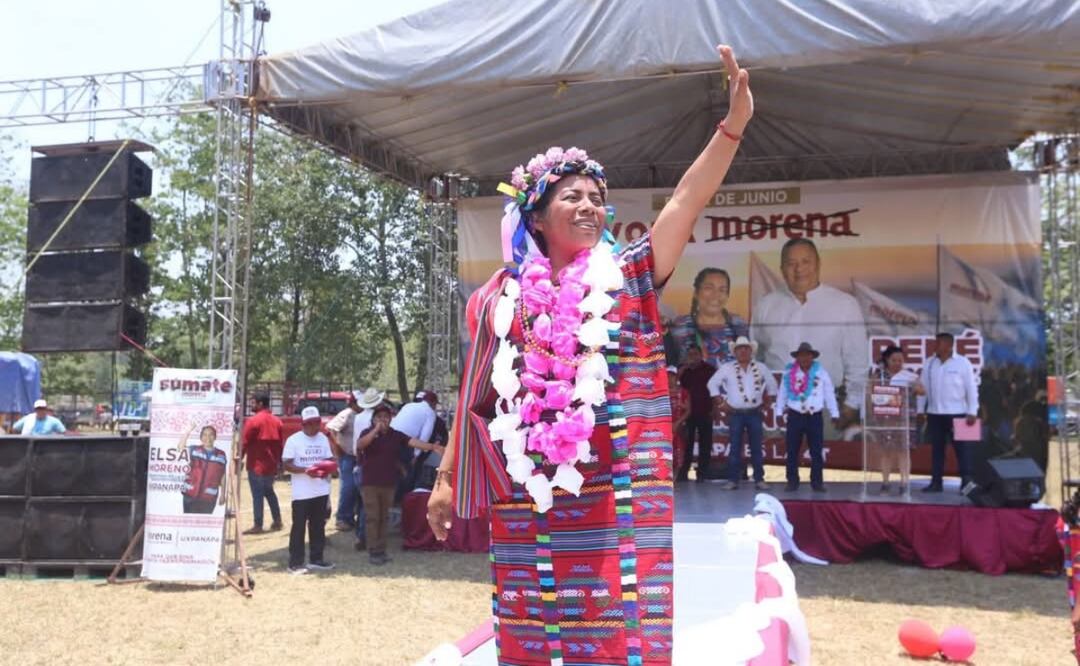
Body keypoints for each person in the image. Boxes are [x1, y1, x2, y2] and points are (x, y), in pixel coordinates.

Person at [425, 45, 753, 665]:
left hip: (616, 498)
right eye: (571, 196)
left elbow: (684, 201)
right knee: (532, 634)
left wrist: (731, 128)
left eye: (595, 197)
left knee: (618, 633)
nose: (588, 206)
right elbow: (477, 401)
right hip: (528, 501)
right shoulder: (500, 300)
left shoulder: (627, 276)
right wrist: (444, 480)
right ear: (538, 217)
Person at [751, 238, 867, 427]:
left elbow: (857, 361)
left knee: (821, 456)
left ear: (818, 264)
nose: (799, 269)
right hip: (776, 409)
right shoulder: (766, 306)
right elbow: (756, 358)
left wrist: (852, 404)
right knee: (774, 457)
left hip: (826, 407)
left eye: (806, 262)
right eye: (791, 263)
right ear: (782, 269)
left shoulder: (845, 304)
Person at [356, 403, 435, 565]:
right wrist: (376, 430)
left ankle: (381, 549)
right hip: (370, 483)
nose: (383, 420)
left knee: (384, 517)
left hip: (389, 482)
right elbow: (360, 445)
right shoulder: (367, 433)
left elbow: (412, 442)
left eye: (386, 417)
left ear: (391, 419)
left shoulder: (395, 435)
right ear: (373, 419)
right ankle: (373, 550)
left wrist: (433, 447)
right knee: (373, 517)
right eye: (379, 417)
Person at [708, 336, 778, 490]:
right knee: (734, 447)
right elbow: (712, 383)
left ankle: (759, 479)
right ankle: (733, 480)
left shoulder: (760, 367)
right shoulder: (727, 367)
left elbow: (772, 384)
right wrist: (720, 402)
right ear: (735, 352)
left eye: (746, 348)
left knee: (756, 448)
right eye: (740, 349)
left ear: (751, 351)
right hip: (736, 414)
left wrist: (768, 402)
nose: (743, 351)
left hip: (754, 412)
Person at [918, 331, 979, 493]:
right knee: (937, 450)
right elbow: (922, 388)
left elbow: (971, 388)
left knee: (963, 451)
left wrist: (972, 410)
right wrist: (919, 410)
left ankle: (966, 484)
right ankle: (936, 482)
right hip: (934, 414)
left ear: (949, 345)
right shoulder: (929, 363)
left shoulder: (963, 362)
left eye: (938, 343)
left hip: (959, 414)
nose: (934, 346)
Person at [776, 342, 840, 492]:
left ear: (812, 357)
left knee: (816, 451)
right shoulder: (789, 373)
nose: (804, 358)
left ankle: (817, 482)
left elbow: (829, 394)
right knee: (792, 449)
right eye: (801, 355)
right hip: (795, 415)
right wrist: (779, 412)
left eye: (807, 355)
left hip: (814, 416)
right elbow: (782, 394)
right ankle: (792, 481)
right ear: (797, 357)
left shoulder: (821, 373)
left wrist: (835, 413)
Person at [281, 406, 336, 575]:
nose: (314, 427)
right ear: (303, 424)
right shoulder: (294, 440)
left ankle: (316, 559)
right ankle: (295, 562)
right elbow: (286, 464)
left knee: (318, 526)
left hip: (320, 490)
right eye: (310, 424)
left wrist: (326, 468)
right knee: (298, 527)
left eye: (317, 423)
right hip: (302, 492)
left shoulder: (322, 439)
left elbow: (329, 459)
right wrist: (305, 470)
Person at [867, 345, 923, 495]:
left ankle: (904, 483)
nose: (898, 363)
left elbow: (922, 390)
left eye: (900, 360)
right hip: (885, 420)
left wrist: (914, 388)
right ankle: (885, 483)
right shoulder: (879, 375)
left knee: (903, 452)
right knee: (886, 452)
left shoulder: (908, 375)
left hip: (905, 421)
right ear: (886, 360)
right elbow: (871, 392)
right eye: (894, 360)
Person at [667, 267, 749, 366]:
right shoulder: (680, 325)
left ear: (727, 295)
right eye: (709, 288)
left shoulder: (738, 324)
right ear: (696, 293)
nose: (715, 295)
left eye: (722, 290)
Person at [347, 387, 385, 549]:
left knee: (362, 502)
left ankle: (360, 535)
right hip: (373, 464)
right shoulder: (378, 420)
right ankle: (365, 536)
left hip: (360, 461)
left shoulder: (358, 417)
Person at [241, 393, 284, 533]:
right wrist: (280, 463)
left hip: (256, 464)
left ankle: (258, 525)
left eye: (253, 403)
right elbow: (281, 445)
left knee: (257, 495)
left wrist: (239, 458)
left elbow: (244, 442)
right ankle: (277, 521)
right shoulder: (277, 421)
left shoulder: (253, 421)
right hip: (271, 465)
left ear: (260, 404)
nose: (251, 405)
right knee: (269, 492)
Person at [676, 345, 717, 482]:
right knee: (686, 444)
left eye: (695, 354)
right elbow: (675, 385)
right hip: (687, 413)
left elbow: (716, 391)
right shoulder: (683, 371)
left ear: (701, 355)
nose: (693, 357)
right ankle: (683, 472)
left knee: (705, 444)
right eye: (690, 354)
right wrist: (682, 370)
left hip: (705, 411)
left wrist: (715, 408)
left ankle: (702, 473)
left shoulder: (710, 370)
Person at [326, 390, 363, 532]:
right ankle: (342, 518)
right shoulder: (347, 414)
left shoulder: (359, 415)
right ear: (353, 403)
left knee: (356, 488)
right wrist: (338, 447)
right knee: (348, 487)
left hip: (356, 456)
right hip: (348, 456)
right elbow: (330, 428)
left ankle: (350, 517)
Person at [175, 423, 228, 514]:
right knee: (188, 523)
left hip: (209, 499)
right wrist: (189, 430)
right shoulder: (193, 450)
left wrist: (223, 494)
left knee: (204, 525)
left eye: (211, 435)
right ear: (201, 438)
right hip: (190, 496)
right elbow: (180, 448)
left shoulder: (221, 455)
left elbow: (223, 475)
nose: (208, 438)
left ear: (215, 437)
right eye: (205, 435)